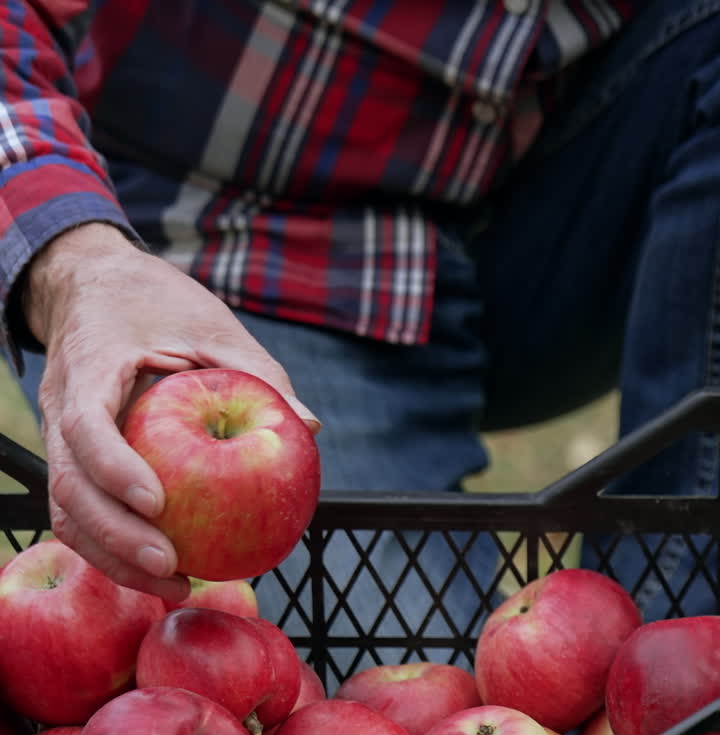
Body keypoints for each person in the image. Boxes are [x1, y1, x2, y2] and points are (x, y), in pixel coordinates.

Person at [1, 0, 719, 642]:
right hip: (235, 238)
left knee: (634, 701)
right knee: (403, 709)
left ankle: (667, 665)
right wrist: (79, 262)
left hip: (537, 183)